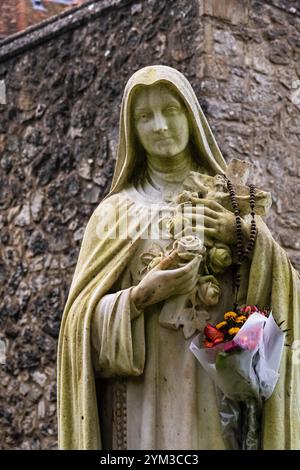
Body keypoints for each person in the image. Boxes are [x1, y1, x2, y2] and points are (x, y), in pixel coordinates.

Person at [57, 65, 300, 450]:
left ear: (191, 117)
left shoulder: (228, 202)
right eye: (144, 116)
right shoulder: (113, 215)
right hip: (141, 406)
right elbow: (77, 331)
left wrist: (243, 239)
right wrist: (140, 297)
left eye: (170, 111)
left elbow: (286, 295)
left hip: (216, 397)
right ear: (132, 131)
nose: (159, 126)